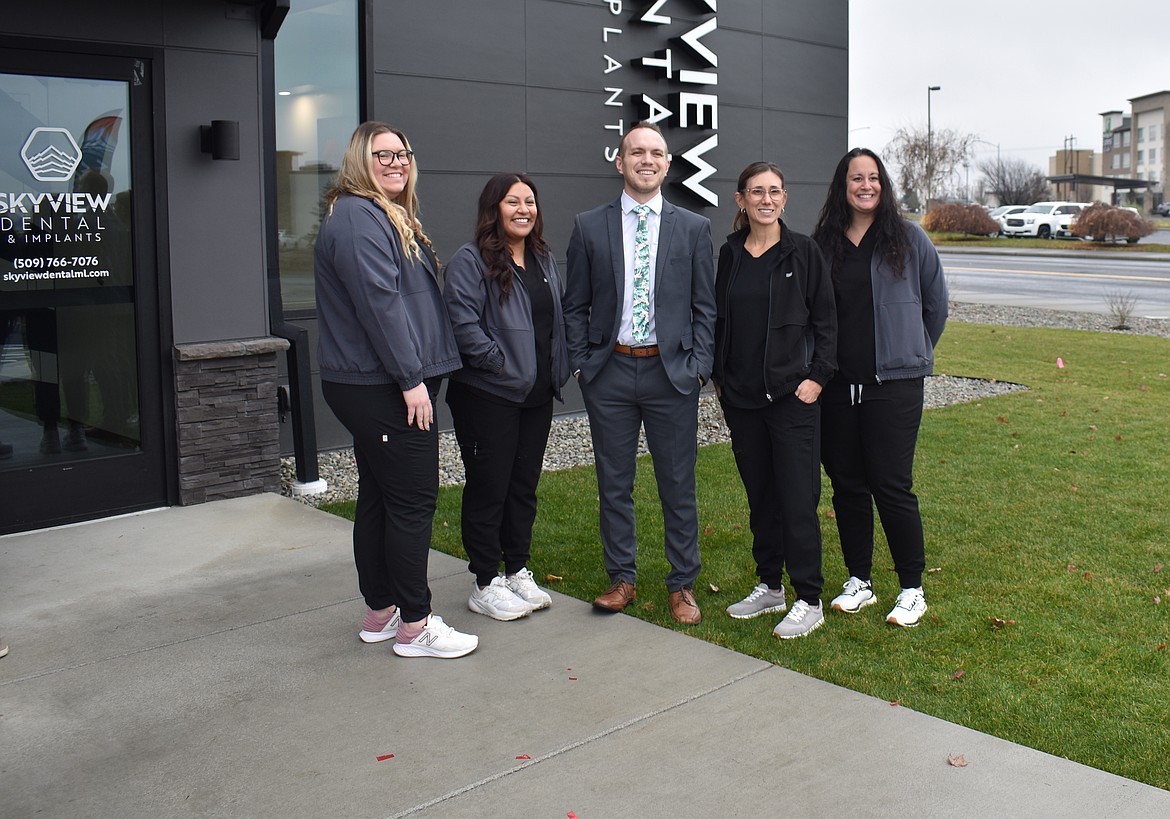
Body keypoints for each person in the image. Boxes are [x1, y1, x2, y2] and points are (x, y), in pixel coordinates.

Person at [315, 121, 478, 658]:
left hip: (375, 382)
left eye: (402, 153)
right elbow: (379, 305)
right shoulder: (358, 217)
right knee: (411, 501)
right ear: (359, 160)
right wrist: (411, 380)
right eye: (382, 154)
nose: (396, 162)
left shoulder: (376, 213)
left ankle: (381, 611)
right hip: (383, 384)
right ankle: (415, 624)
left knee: (381, 497)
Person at [563, 121, 717, 625]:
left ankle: (682, 584)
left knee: (677, 483)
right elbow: (574, 304)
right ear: (620, 161)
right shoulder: (589, 225)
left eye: (656, 153)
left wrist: (698, 368)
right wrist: (583, 364)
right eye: (636, 152)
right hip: (609, 373)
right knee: (614, 483)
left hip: (671, 374)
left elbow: (705, 307)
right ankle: (621, 579)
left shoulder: (692, 228)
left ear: (667, 164)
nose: (646, 160)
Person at [811, 147, 948, 628]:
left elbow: (936, 306)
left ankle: (912, 589)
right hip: (836, 387)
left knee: (891, 485)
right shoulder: (824, 243)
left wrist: (910, 350)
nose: (865, 186)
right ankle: (860, 581)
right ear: (842, 186)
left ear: (883, 185)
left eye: (873, 178)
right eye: (856, 178)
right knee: (847, 486)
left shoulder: (909, 239)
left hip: (894, 385)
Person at [713, 162, 838, 639]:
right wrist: (720, 377)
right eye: (756, 192)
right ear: (741, 199)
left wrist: (817, 378)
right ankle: (769, 586)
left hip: (792, 398)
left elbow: (827, 322)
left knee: (797, 499)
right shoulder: (730, 253)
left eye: (774, 191)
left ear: (784, 199)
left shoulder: (803, 251)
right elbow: (721, 319)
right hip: (741, 399)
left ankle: (809, 598)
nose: (765, 199)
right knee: (761, 497)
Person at [442, 173, 569, 621]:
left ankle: (516, 569)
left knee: (522, 486)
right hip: (487, 393)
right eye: (513, 201)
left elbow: (556, 318)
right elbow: (462, 324)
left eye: (530, 201)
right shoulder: (469, 260)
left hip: (536, 394)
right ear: (493, 208)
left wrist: (559, 365)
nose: (523, 210)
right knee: (489, 486)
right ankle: (484, 581)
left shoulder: (542, 257)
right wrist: (499, 364)